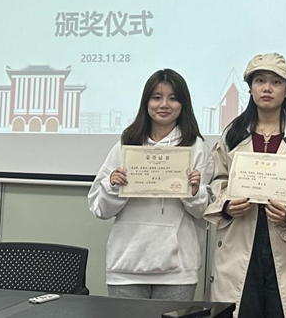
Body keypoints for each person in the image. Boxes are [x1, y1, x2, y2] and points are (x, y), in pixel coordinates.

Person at [204, 53, 286, 318]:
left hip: (285, 239)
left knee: (285, 309)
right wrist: (226, 205)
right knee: (242, 308)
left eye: (276, 82)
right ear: (250, 87)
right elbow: (217, 179)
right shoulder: (234, 133)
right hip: (240, 236)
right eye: (260, 81)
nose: (267, 88)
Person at [87, 69, 212, 300]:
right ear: (146, 102)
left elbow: (204, 212)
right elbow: (99, 208)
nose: (164, 104)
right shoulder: (127, 144)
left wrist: (194, 192)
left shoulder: (196, 148)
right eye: (156, 97)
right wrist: (113, 185)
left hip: (178, 270)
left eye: (173, 98)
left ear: (183, 104)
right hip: (126, 265)